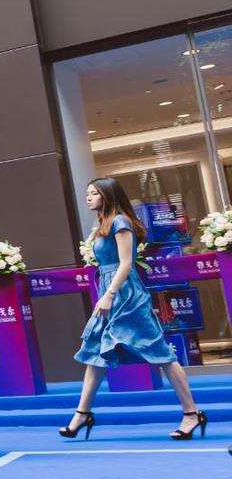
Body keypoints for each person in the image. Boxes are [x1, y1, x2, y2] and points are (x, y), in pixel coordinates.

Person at [61, 178, 207, 441]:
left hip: (127, 296)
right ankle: (81, 414)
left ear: (108, 196)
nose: (88, 197)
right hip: (110, 291)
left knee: (160, 353)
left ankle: (191, 413)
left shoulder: (120, 222)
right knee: (96, 352)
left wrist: (109, 295)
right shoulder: (104, 224)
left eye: (94, 193)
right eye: (88, 193)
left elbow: (126, 263)